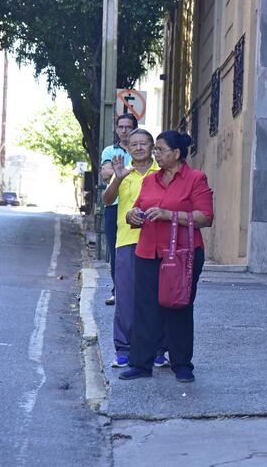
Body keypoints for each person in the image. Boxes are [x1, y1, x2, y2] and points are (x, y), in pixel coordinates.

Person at [119, 131, 214, 383]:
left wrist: (168, 214)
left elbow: (205, 217)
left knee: (179, 307)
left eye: (160, 150)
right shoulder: (150, 180)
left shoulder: (196, 179)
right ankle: (140, 363)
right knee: (145, 308)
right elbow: (136, 207)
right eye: (156, 150)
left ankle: (182, 364)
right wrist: (133, 216)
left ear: (176, 154)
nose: (156, 154)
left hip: (182, 253)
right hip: (147, 250)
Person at [102, 128, 169, 369]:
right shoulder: (122, 172)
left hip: (158, 239)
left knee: (159, 296)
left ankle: (160, 349)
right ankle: (124, 349)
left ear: (152, 147)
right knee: (126, 298)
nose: (139, 147)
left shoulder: (162, 172)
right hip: (127, 241)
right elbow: (107, 200)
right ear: (127, 148)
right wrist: (118, 178)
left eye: (144, 143)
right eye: (134, 144)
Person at [100, 113, 137, 305]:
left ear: (134, 128)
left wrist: (119, 171)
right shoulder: (109, 151)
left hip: (137, 205)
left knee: (139, 249)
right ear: (116, 129)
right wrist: (130, 169)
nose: (124, 131)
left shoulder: (140, 148)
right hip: (115, 206)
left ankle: (135, 289)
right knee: (116, 250)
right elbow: (105, 174)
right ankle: (117, 290)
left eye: (128, 127)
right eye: (120, 127)